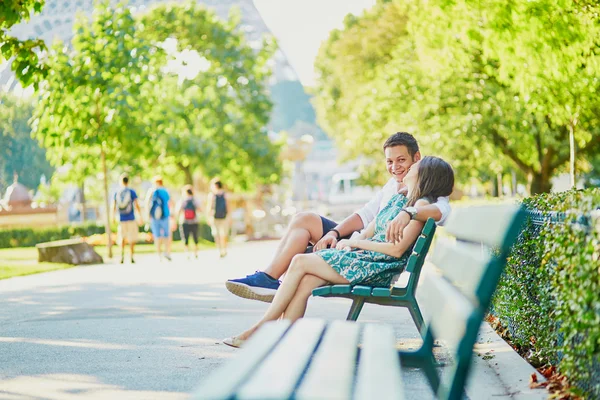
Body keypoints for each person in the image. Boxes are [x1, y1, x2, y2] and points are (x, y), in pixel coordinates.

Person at [223, 156, 455, 347]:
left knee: (300, 262)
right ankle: (285, 339)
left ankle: (261, 329)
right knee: (305, 280)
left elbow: (396, 250)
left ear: (424, 175)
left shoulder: (420, 207)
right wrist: (347, 241)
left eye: (413, 165)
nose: (408, 168)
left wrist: (356, 244)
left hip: (378, 267)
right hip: (365, 260)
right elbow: (367, 231)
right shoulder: (399, 198)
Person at [226, 132, 451, 302]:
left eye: (401, 160)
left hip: (371, 252)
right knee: (303, 220)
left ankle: (275, 280)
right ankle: (269, 278)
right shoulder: (392, 185)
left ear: (417, 158)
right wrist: (334, 233)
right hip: (363, 239)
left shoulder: (427, 190)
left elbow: (441, 211)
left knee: (302, 257)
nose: (395, 167)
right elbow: (364, 215)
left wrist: (408, 211)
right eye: (389, 162)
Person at [113, 174, 143, 264]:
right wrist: (140, 215)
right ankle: (131, 256)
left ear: (121, 181)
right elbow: (136, 204)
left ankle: (121, 255)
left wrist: (113, 216)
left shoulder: (117, 192)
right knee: (132, 238)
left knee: (122, 237)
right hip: (131, 218)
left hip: (121, 218)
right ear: (128, 181)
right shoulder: (131, 192)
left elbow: (113, 206)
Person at [145, 175, 172, 261]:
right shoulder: (165, 191)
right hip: (165, 215)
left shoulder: (151, 191)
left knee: (157, 235)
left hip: (154, 216)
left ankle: (159, 254)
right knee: (166, 235)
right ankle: (166, 252)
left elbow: (147, 203)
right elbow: (170, 202)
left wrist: (148, 214)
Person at [206, 178, 230, 258]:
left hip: (215, 216)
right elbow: (228, 206)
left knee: (216, 234)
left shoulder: (212, 195)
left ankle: (219, 250)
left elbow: (209, 207)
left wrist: (208, 216)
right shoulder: (225, 194)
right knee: (224, 234)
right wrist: (229, 216)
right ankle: (224, 249)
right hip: (224, 216)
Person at [177, 185, 202, 259]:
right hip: (194, 221)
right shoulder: (195, 200)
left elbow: (178, 211)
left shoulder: (182, 200)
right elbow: (200, 209)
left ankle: (187, 253)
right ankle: (196, 252)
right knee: (195, 237)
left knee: (185, 238)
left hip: (184, 221)